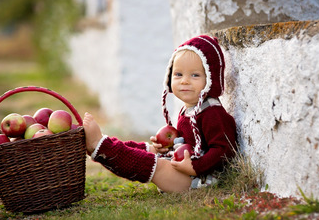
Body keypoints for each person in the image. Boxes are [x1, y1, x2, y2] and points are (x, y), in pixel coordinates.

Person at [83, 35, 237, 192]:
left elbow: (224, 150)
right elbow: (189, 142)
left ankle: (100, 147)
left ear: (211, 79)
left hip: (201, 178)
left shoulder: (213, 113)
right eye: (178, 74)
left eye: (195, 75)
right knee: (149, 150)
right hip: (185, 166)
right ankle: (102, 145)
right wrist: (168, 146)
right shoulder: (189, 108)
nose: (184, 81)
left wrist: (195, 167)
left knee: (155, 165)